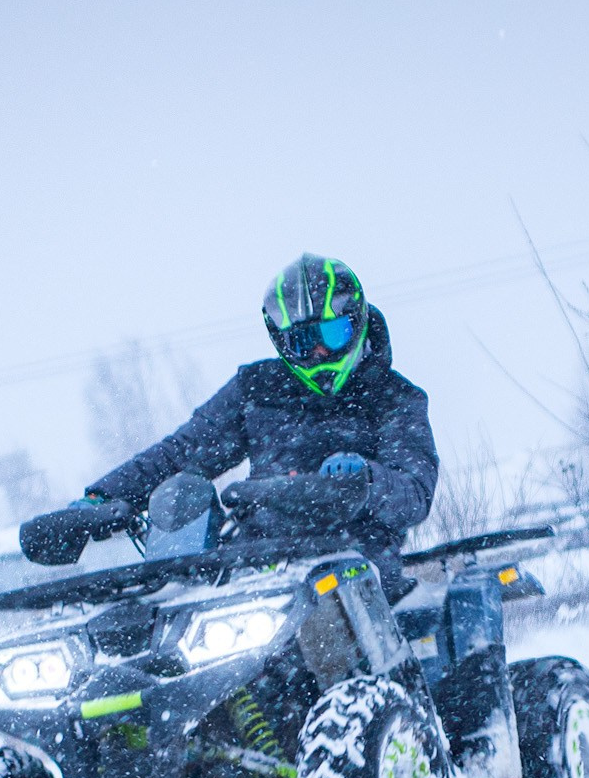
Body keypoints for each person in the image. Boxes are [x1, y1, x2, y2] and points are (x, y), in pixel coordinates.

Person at [85, 253, 438, 593]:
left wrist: (366, 478)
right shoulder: (258, 389)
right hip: (255, 574)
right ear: (281, 341)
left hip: (361, 571)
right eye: (303, 341)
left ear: (357, 322)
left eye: (332, 335)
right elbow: (181, 453)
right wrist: (104, 497)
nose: (318, 353)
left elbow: (414, 493)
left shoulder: (395, 398)